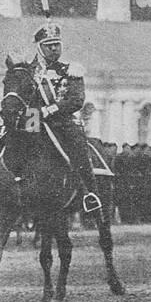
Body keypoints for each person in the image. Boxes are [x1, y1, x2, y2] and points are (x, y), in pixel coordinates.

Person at [22, 18, 104, 214]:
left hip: (64, 124)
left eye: (57, 45)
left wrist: (48, 110)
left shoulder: (70, 71)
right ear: (39, 47)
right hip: (34, 120)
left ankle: (90, 195)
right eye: (48, 46)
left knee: (79, 153)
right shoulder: (26, 72)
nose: (54, 49)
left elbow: (76, 100)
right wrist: (31, 117)